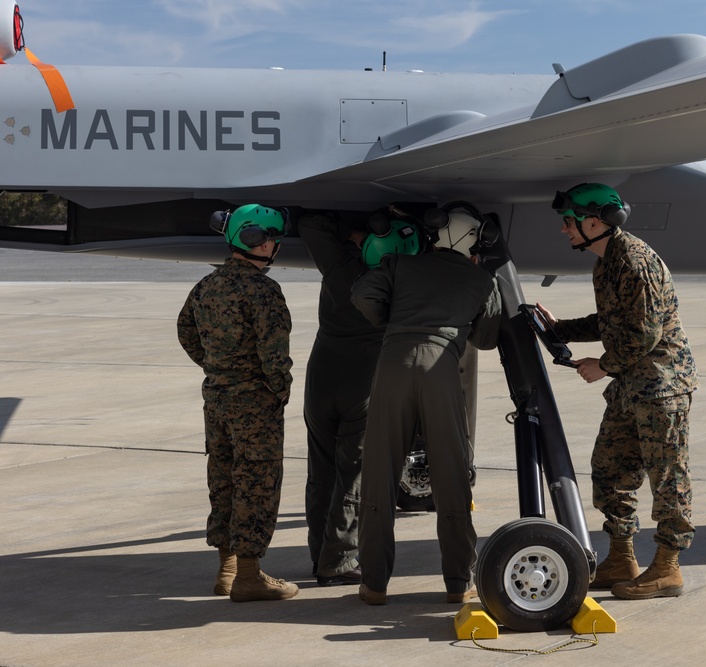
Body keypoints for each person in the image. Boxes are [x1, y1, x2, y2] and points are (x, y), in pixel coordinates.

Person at [535, 183, 698, 601]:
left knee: (667, 479)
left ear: (596, 221)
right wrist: (559, 329)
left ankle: (666, 568)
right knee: (610, 471)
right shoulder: (606, 263)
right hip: (632, 385)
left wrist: (602, 366)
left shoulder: (634, 260)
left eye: (569, 222)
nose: (564, 230)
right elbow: (611, 321)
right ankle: (621, 558)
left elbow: (645, 331)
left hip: (661, 386)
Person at [350, 209, 501, 606]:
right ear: (470, 241)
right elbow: (487, 338)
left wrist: (395, 324)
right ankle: (457, 582)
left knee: (380, 470)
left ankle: (375, 584)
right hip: (441, 371)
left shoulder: (400, 264)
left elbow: (362, 294)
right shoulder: (482, 279)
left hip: (393, 363)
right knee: (451, 474)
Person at [177, 203, 299, 602]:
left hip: (217, 397)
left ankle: (226, 570)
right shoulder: (263, 290)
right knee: (257, 482)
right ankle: (248, 575)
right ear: (258, 242)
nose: (274, 245)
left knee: (223, 477)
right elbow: (274, 354)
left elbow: (186, 331)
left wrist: (216, 367)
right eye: (271, 239)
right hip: (254, 402)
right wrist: (277, 388)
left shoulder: (206, 286)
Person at [297, 212, 379, 587]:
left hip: (322, 378)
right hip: (360, 384)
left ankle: (320, 556)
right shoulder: (394, 275)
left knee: (321, 473)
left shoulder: (338, 264)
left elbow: (311, 223)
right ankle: (340, 560)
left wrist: (353, 232)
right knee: (352, 474)